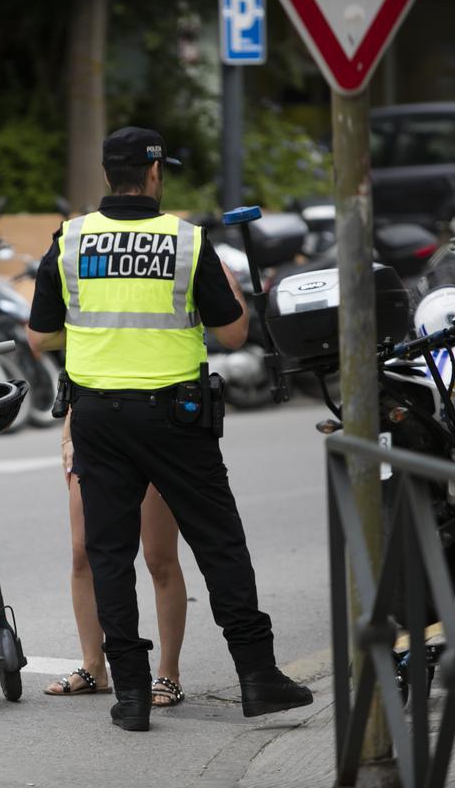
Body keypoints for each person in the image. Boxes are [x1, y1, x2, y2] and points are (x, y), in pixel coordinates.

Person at [27, 126, 312, 731]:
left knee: (109, 552)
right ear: (156, 175)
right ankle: (258, 678)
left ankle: (130, 694)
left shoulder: (72, 239)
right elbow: (233, 333)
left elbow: (40, 336)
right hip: (174, 416)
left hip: (98, 416)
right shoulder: (186, 241)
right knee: (219, 544)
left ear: (108, 176)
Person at [43, 408, 188, 708]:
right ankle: (93, 666)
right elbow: (79, 373)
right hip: (94, 431)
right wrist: (68, 437)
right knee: (82, 553)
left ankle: (168, 673)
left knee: (158, 557)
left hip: (149, 427)